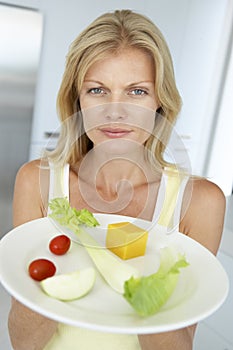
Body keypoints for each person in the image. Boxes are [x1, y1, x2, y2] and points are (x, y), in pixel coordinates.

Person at [8, 9, 225, 350]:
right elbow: (24, 342)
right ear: (76, 99)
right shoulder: (35, 181)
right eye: (97, 90)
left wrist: (141, 269)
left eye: (137, 92)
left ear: (160, 102)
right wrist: (60, 259)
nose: (115, 110)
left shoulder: (199, 203)